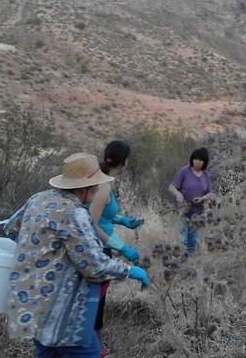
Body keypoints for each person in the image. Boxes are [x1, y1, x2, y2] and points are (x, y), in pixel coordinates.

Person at [4, 152, 149, 358]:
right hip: (65, 314)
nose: (99, 188)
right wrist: (130, 270)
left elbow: (11, 228)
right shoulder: (75, 213)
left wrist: (44, 255)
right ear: (84, 188)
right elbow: (94, 266)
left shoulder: (38, 199)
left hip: (34, 305)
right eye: (96, 184)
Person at [89, 140, 143, 354]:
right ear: (125, 161)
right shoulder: (103, 186)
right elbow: (91, 225)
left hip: (102, 247)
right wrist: (122, 247)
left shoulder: (105, 181)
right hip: (96, 249)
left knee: (98, 299)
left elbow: (104, 214)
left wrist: (124, 220)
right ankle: (94, 348)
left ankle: (94, 345)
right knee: (96, 301)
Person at [168, 147, 213, 253]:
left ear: (204, 162)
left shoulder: (206, 175)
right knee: (183, 237)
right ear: (192, 159)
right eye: (195, 158)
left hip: (197, 214)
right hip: (183, 210)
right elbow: (171, 187)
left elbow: (210, 193)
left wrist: (203, 198)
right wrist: (178, 194)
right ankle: (179, 259)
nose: (197, 161)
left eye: (200, 160)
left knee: (192, 241)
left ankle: (189, 261)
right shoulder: (184, 171)